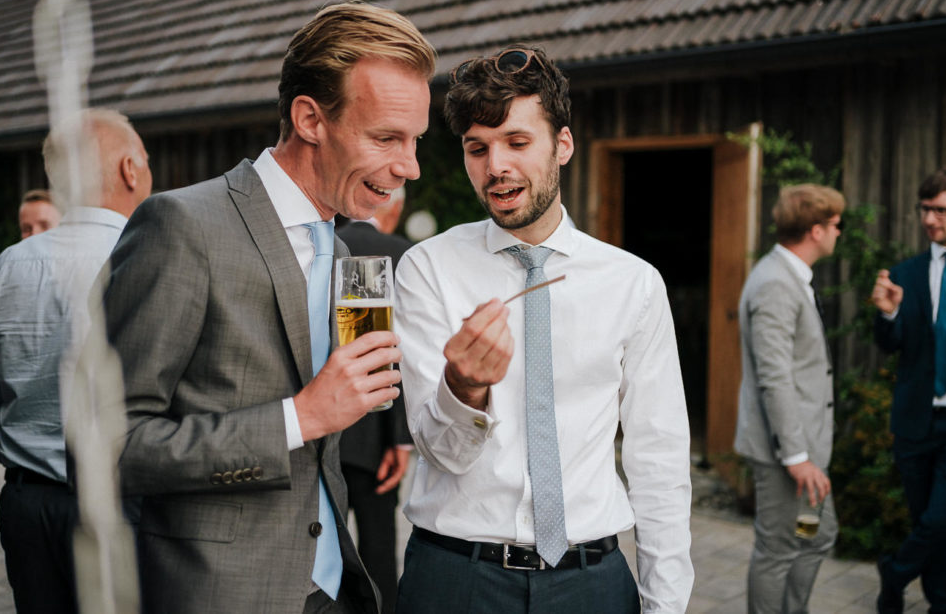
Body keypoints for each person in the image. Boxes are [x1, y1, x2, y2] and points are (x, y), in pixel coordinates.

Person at [104, 2, 435, 614]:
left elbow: (350, 408)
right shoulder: (181, 226)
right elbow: (106, 446)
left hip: (333, 588)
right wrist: (298, 418)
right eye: (387, 137)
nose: (409, 166)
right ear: (310, 118)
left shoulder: (343, 253)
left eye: (414, 141)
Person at [393, 46, 693, 613]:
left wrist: (666, 605)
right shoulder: (428, 268)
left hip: (591, 580)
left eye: (517, 142)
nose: (495, 166)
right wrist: (464, 388)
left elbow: (660, 460)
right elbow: (440, 450)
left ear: (563, 145)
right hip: (457, 579)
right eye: (476, 149)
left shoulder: (633, 284)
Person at [0, 108, 152, 614]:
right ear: (130, 169)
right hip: (121, 506)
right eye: (145, 162)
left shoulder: (6, 266)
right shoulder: (147, 255)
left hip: (26, 503)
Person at [871, 165, 946, 614]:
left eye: (941, 210)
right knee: (926, 520)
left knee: (943, 521)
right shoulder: (905, 273)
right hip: (916, 417)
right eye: (924, 210)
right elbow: (889, 344)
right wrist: (888, 313)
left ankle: (894, 572)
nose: (930, 219)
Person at [733, 183, 844, 613]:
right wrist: (796, 455)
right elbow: (774, 376)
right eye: (837, 225)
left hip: (805, 450)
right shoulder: (776, 283)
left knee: (817, 535)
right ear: (817, 230)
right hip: (787, 454)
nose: (840, 232)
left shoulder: (789, 276)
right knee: (779, 549)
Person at [337, 187, 414, 614]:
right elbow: (388, 352)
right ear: (396, 208)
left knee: (324, 552)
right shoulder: (395, 253)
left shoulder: (328, 245)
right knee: (379, 551)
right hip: (375, 435)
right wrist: (399, 438)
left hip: (322, 430)